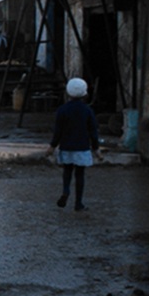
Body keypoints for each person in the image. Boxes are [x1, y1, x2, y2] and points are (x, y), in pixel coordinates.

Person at [49, 77, 100, 212]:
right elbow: (93, 131)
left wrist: (52, 146)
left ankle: (66, 191)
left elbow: (57, 131)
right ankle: (78, 203)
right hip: (82, 148)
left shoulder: (62, 110)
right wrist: (96, 148)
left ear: (68, 92)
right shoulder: (87, 111)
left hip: (66, 147)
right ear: (85, 93)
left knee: (67, 171)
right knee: (80, 175)